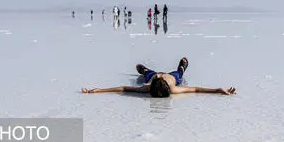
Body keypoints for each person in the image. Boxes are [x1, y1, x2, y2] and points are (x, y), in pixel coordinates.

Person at [81, 58, 236, 97]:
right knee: (179, 72)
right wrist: (217, 90)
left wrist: (98, 90)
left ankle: (144, 69)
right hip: (166, 77)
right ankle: (182, 66)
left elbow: (123, 88)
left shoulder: (148, 87)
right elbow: (195, 89)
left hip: (160, 76)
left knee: (145, 71)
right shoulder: (170, 88)